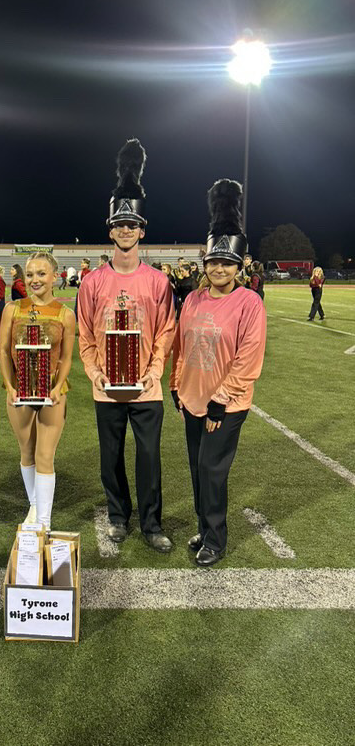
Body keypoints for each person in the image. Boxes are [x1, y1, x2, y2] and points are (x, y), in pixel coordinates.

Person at [78, 139, 176, 552]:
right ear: (110, 228)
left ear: (141, 229)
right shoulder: (92, 281)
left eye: (131, 225)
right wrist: (96, 372)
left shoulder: (157, 281)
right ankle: (118, 516)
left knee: (149, 459)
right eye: (119, 225)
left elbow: (166, 330)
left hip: (147, 388)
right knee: (110, 457)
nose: (125, 230)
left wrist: (154, 371)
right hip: (106, 389)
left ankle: (152, 524)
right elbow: (84, 335)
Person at [170, 178, 267, 567]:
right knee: (197, 469)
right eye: (214, 262)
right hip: (192, 400)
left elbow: (248, 359)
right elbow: (182, 345)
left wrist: (219, 402)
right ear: (205, 264)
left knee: (212, 470)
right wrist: (176, 387)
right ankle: (204, 527)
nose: (220, 268)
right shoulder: (192, 298)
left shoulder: (249, 303)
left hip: (224, 406)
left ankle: (216, 539)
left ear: (238, 265)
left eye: (227, 263)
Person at [0, 251, 75, 528]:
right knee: (27, 451)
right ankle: (34, 506)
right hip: (19, 390)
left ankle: (43, 521)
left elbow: (66, 357)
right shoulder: (12, 309)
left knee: (45, 454)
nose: (34, 280)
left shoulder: (65, 314)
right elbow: (4, 352)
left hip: (52, 391)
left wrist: (56, 388)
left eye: (41, 274)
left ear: (54, 276)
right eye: (29, 274)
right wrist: (9, 385)